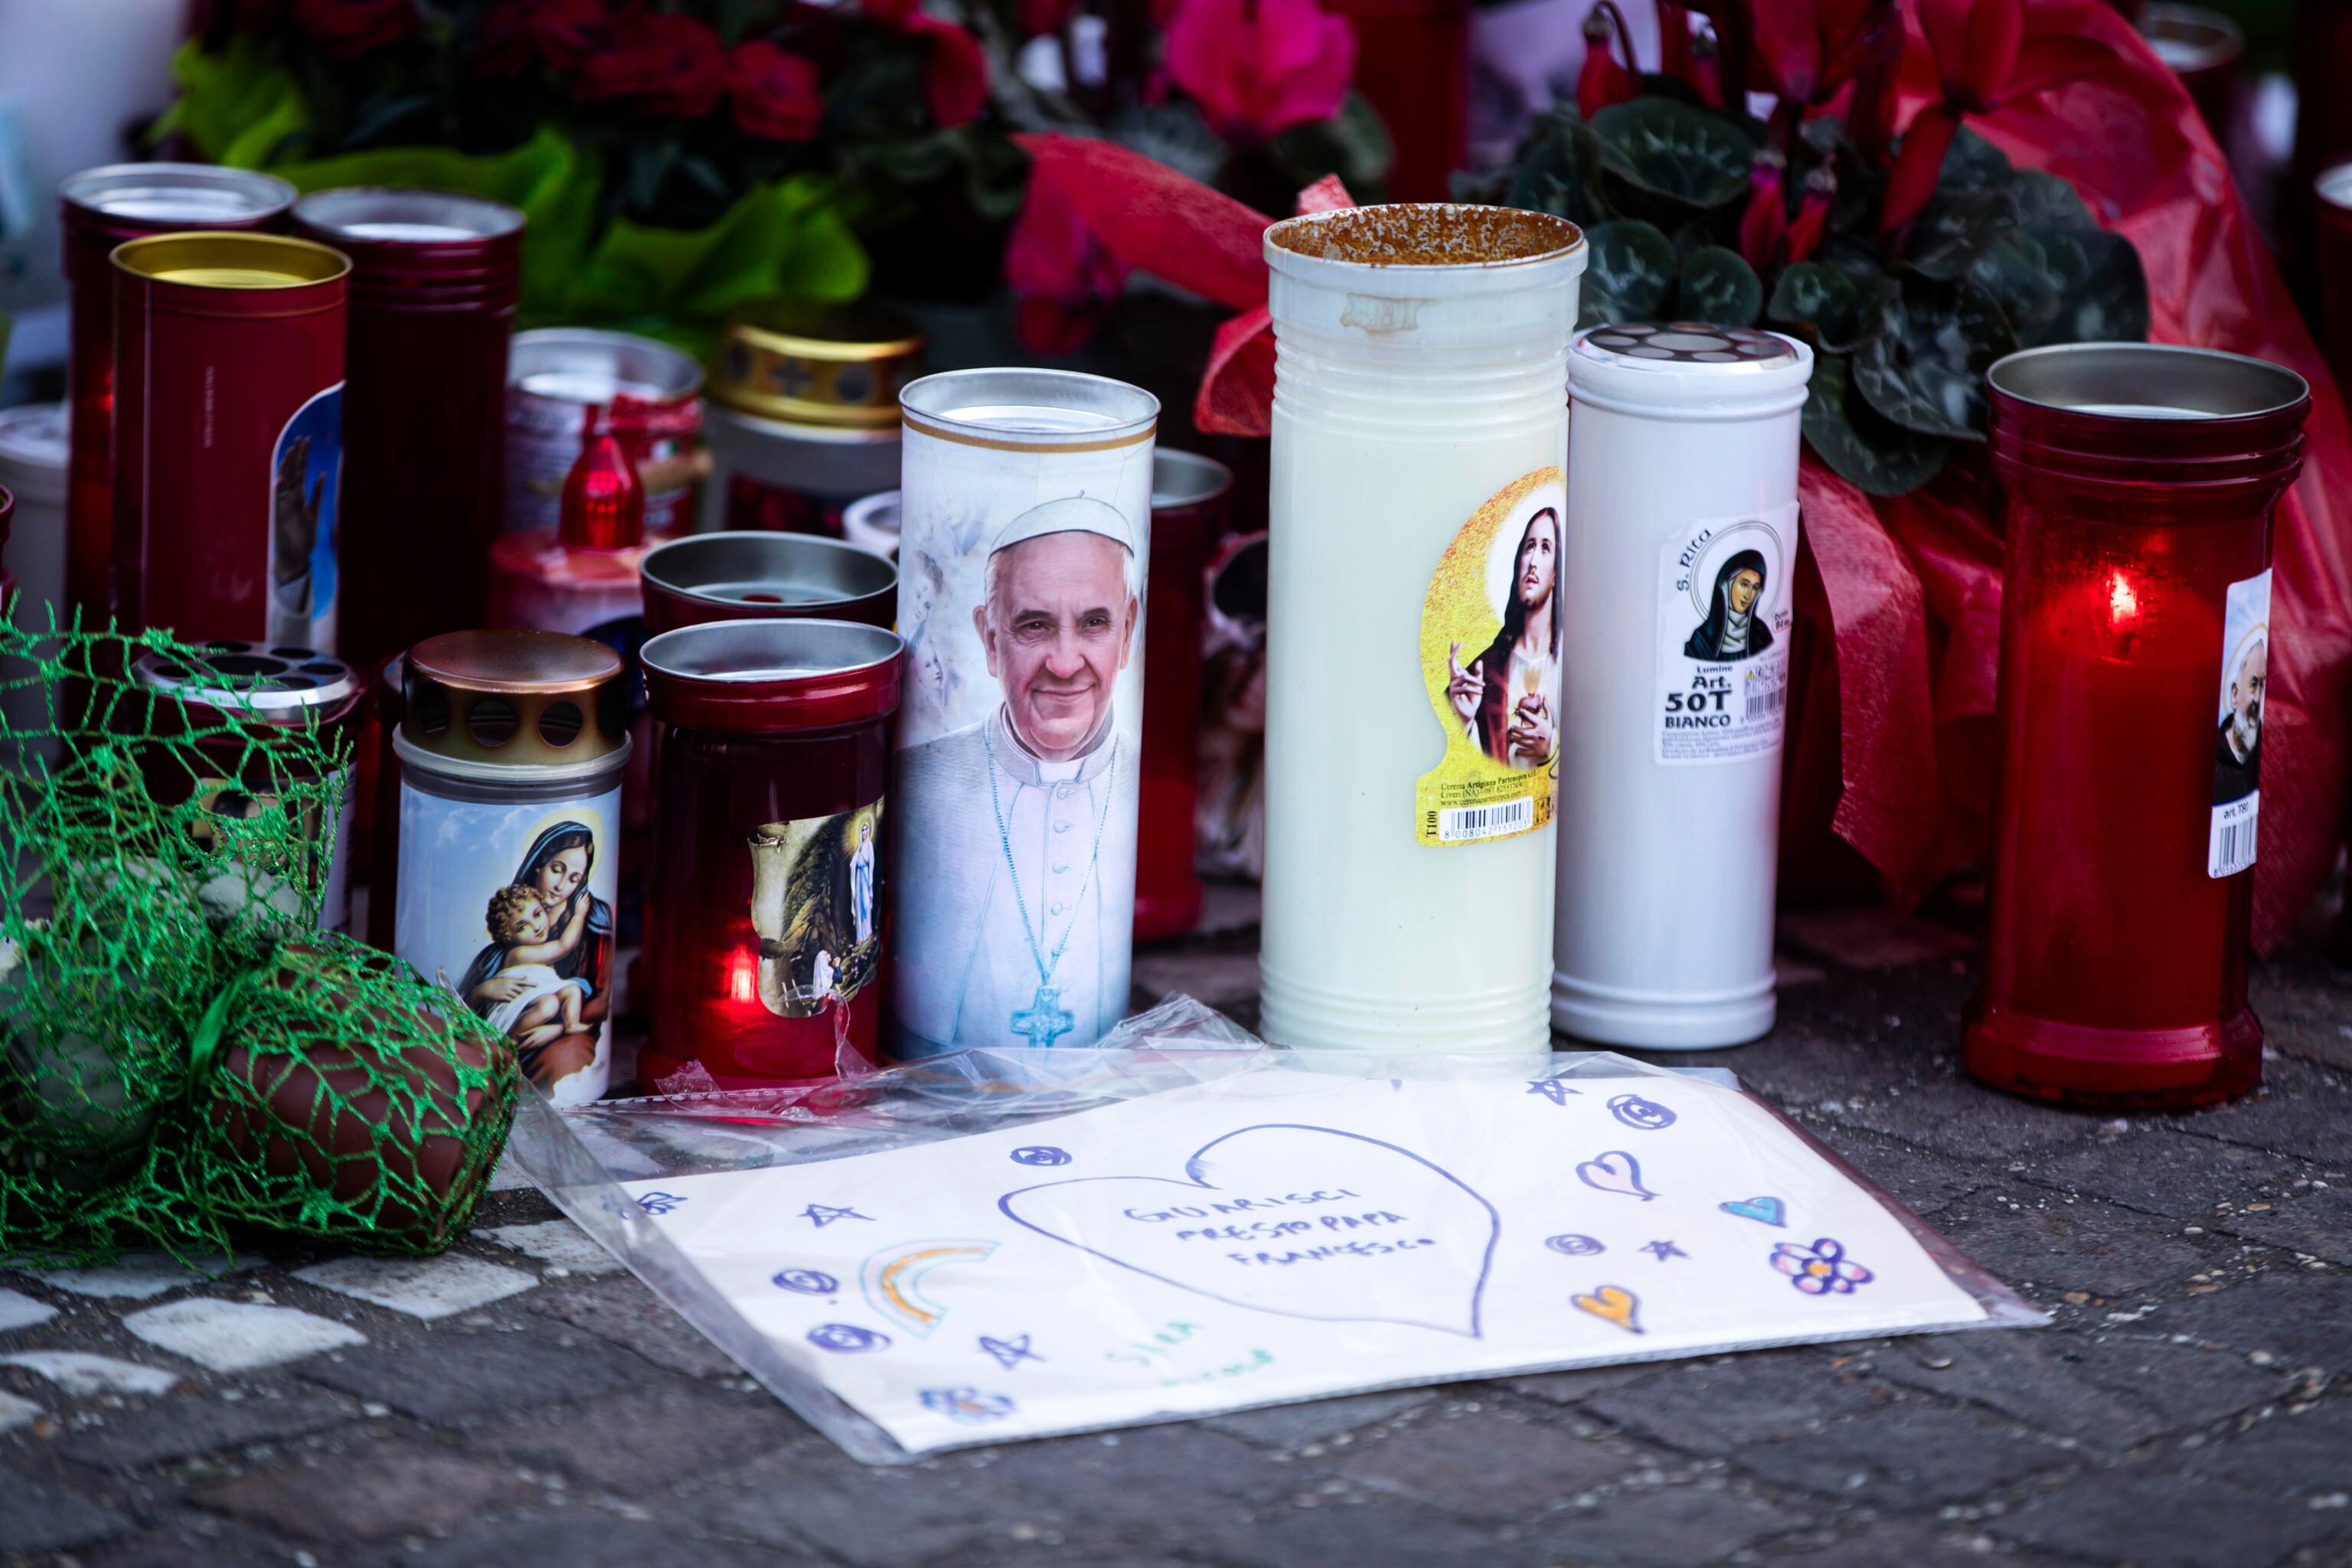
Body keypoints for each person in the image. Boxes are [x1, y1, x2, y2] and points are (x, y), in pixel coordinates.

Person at [893, 496, 1142, 1055]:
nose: (1064, 661)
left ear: (1127, 631)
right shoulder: (920, 780)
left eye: (1094, 624)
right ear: (990, 639)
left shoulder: (1137, 781)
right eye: (1034, 625)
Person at [459, 823, 612, 1089]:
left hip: (565, 1030)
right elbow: (459, 1009)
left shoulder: (594, 921)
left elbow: (601, 998)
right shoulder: (508, 941)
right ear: (539, 864)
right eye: (557, 869)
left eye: (574, 878)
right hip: (511, 1026)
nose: (561, 886)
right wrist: (483, 991)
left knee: (564, 1057)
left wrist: (559, 1028)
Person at [1446, 506, 1560, 767]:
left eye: (1546, 548)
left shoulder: (1565, 660)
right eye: (1529, 547)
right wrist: (1465, 720)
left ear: (1556, 572)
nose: (1533, 561)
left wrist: (1550, 745)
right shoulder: (1487, 669)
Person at [473, 885, 593, 1059]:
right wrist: (579, 915)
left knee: (572, 990)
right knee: (549, 1005)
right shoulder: (520, 953)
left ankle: (571, 1024)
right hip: (516, 1005)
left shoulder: (535, 948)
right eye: (522, 927)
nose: (537, 927)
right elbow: (564, 946)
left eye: (538, 914)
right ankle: (511, 1038)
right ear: (508, 935)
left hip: (537, 997)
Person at [1685, 548, 1772, 662]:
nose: (1749, 595)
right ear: (1727, 585)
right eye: (1744, 585)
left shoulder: (1761, 635)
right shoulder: (1701, 641)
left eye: (1755, 588)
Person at [2215, 635, 2265, 805]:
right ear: (2235, 694)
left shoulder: (2261, 751)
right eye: (2253, 684)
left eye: (2263, 686)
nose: (2258, 698)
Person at [850, 814, 877, 946]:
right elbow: (852, 864)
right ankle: (860, 936)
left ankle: (867, 931)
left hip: (866, 876)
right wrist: (857, 858)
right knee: (859, 905)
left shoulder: (869, 845)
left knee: (866, 903)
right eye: (862, 830)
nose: (864, 832)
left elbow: (870, 861)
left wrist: (863, 857)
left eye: (866, 829)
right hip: (859, 877)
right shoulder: (859, 846)